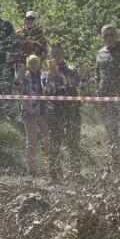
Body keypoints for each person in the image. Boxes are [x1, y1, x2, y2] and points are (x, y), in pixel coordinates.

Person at [94, 24, 120, 168]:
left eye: (111, 34)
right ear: (102, 37)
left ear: (116, 35)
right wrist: (99, 99)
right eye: (105, 35)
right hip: (107, 100)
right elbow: (98, 77)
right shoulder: (100, 53)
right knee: (112, 132)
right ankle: (116, 162)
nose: (108, 37)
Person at [42, 42, 83, 181]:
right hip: (55, 110)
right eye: (53, 54)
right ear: (49, 55)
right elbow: (46, 93)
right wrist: (50, 78)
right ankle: (54, 174)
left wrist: (83, 77)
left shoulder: (72, 69)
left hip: (73, 110)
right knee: (55, 142)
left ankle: (76, 173)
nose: (57, 56)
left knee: (74, 142)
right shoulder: (45, 73)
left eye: (59, 53)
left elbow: (83, 88)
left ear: (63, 53)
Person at [14, 55, 47, 176]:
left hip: (42, 111)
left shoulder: (43, 75)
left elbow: (48, 90)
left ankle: (48, 165)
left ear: (39, 64)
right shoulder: (24, 76)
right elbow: (17, 89)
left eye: (35, 62)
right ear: (28, 64)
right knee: (31, 141)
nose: (33, 65)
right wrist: (18, 78)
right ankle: (31, 169)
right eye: (31, 63)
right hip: (28, 113)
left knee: (47, 139)